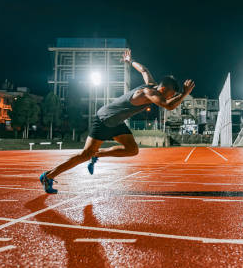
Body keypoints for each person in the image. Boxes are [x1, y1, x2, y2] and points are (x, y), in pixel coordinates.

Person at [39, 49, 195, 193]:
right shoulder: (149, 92)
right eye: (170, 94)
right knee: (84, 155)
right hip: (104, 119)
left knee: (132, 149)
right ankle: (48, 176)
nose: (170, 97)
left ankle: (97, 154)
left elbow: (144, 70)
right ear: (163, 90)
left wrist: (130, 60)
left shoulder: (152, 86)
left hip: (117, 122)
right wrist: (185, 93)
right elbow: (168, 105)